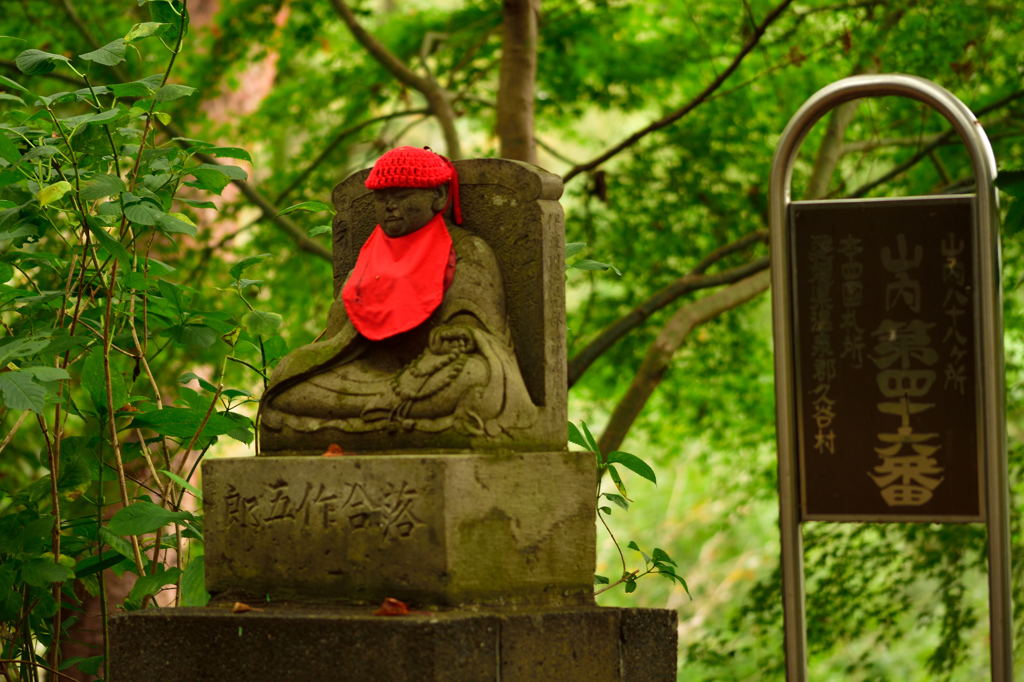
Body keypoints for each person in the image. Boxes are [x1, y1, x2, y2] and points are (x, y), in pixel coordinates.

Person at [259, 147, 536, 452]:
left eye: (402, 196)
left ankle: (368, 417)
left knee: (473, 377)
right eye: (382, 198)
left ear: (439, 197)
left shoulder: (467, 249)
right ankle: (386, 414)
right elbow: (340, 329)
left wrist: (456, 333)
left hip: (432, 369)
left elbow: (475, 320)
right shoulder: (370, 258)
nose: (390, 206)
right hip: (370, 372)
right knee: (288, 383)